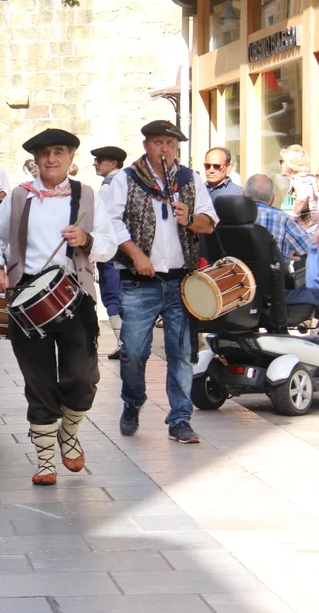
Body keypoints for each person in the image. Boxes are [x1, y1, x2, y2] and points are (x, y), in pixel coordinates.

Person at [0, 129, 117, 485]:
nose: (51, 159)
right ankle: (44, 460)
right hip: (27, 297)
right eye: (45, 153)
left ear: (71, 158)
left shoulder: (87, 195)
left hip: (76, 295)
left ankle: (68, 433)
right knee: (38, 381)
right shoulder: (19, 196)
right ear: (35, 160)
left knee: (83, 378)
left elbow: (109, 244)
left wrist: (86, 239)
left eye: (59, 152)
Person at [107, 120, 217, 445]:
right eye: (158, 143)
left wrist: (190, 219)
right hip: (139, 281)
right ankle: (133, 401)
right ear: (146, 146)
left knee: (181, 353)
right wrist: (136, 255)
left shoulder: (190, 179)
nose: (164, 149)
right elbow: (111, 222)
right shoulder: (127, 178)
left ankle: (180, 419)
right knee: (134, 352)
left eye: (170, 144)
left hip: (181, 280)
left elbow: (209, 223)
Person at [92, 145, 128, 360]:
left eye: (99, 160)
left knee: (111, 294)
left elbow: (102, 220)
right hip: (127, 248)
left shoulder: (108, 186)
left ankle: (124, 342)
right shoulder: (128, 181)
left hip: (112, 248)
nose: (95, 164)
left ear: (113, 163)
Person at [244, 174, 311, 264]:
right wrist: (286, 255)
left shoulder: (229, 216)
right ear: (272, 199)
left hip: (233, 272)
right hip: (271, 272)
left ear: (243, 194)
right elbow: (311, 247)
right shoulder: (283, 219)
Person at [279, 145, 318, 225]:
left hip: (303, 227)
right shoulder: (306, 178)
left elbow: (302, 198)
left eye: (282, 162)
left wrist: (293, 216)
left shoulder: (298, 179)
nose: (280, 165)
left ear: (290, 164)